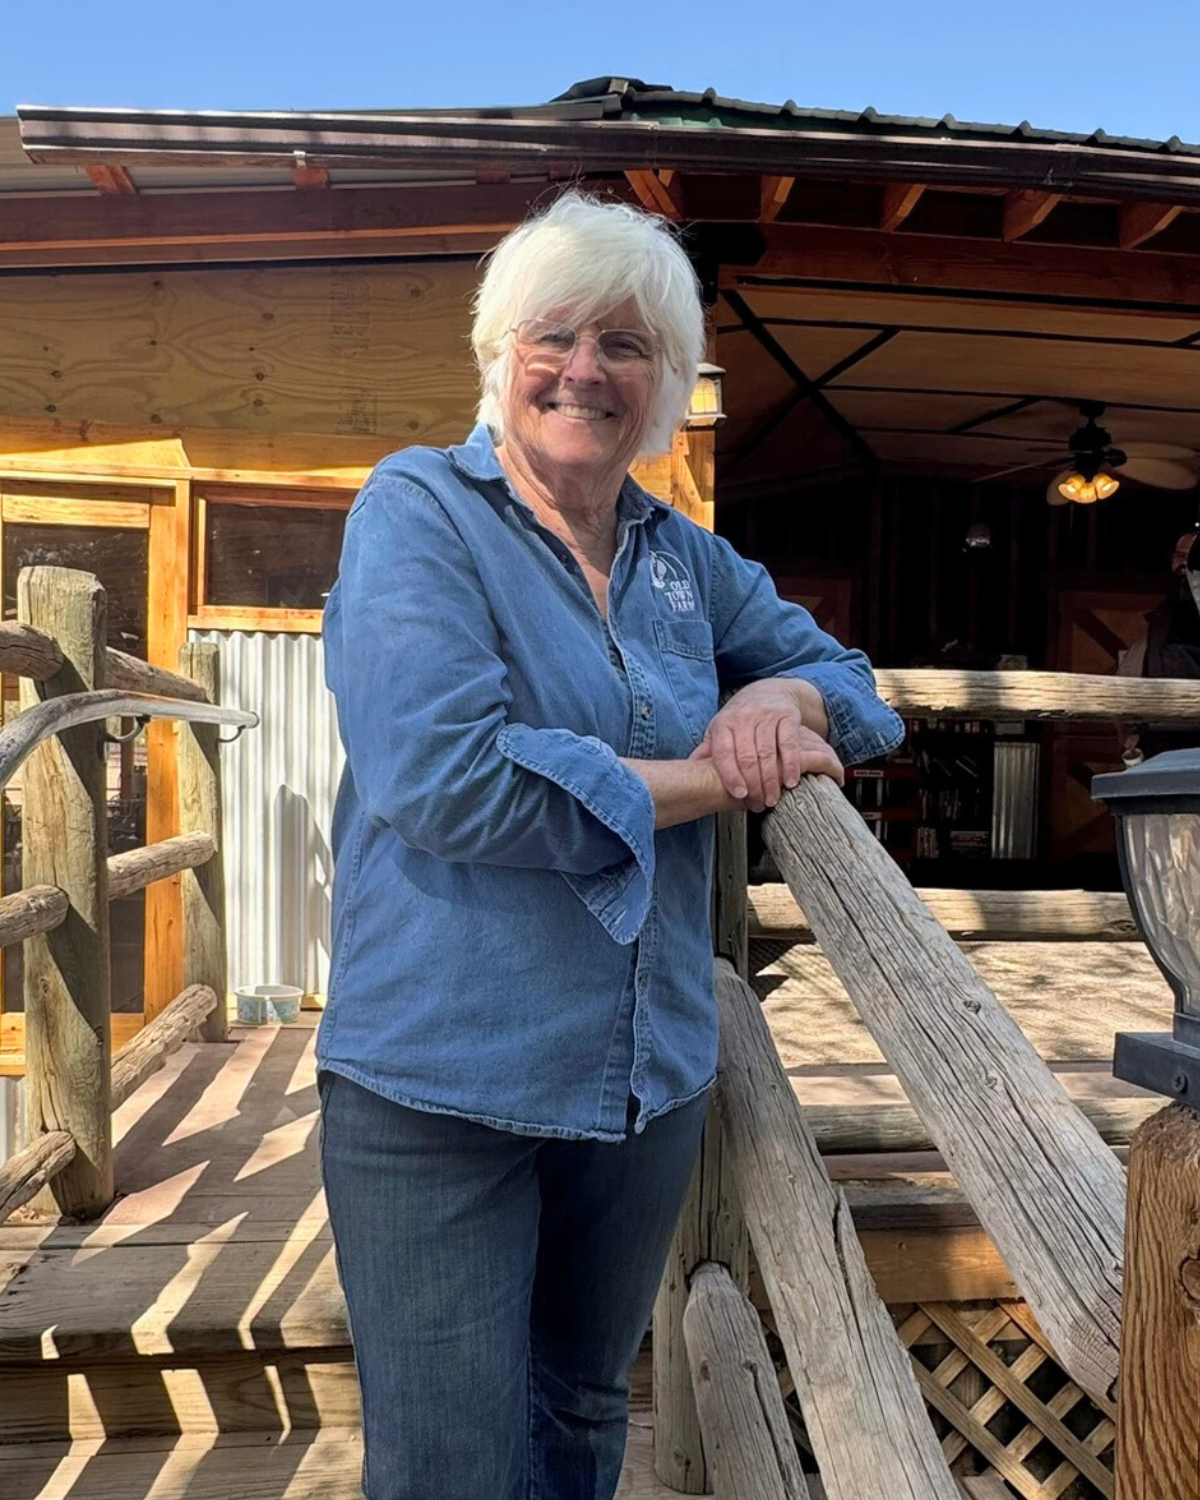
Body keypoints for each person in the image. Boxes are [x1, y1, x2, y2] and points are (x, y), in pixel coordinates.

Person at [318, 191, 904, 1500]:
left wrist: (778, 700)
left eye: (627, 345)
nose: (587, 369)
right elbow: (447, 780)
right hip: (441, 1078)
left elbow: (856, 688)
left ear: (665, 383)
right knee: (450, 1466)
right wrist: (714, 772)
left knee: (581, 1418)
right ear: (498, 350)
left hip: (637, 1078)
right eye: (558, 334)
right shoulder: (419, 510)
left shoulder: (683, 559)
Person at [1119, 528, 1200, 764]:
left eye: (1192, 557)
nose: (1184, 564)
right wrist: (1135, 729)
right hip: (1163, 741)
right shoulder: (1163, 617)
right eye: (1179, 556)